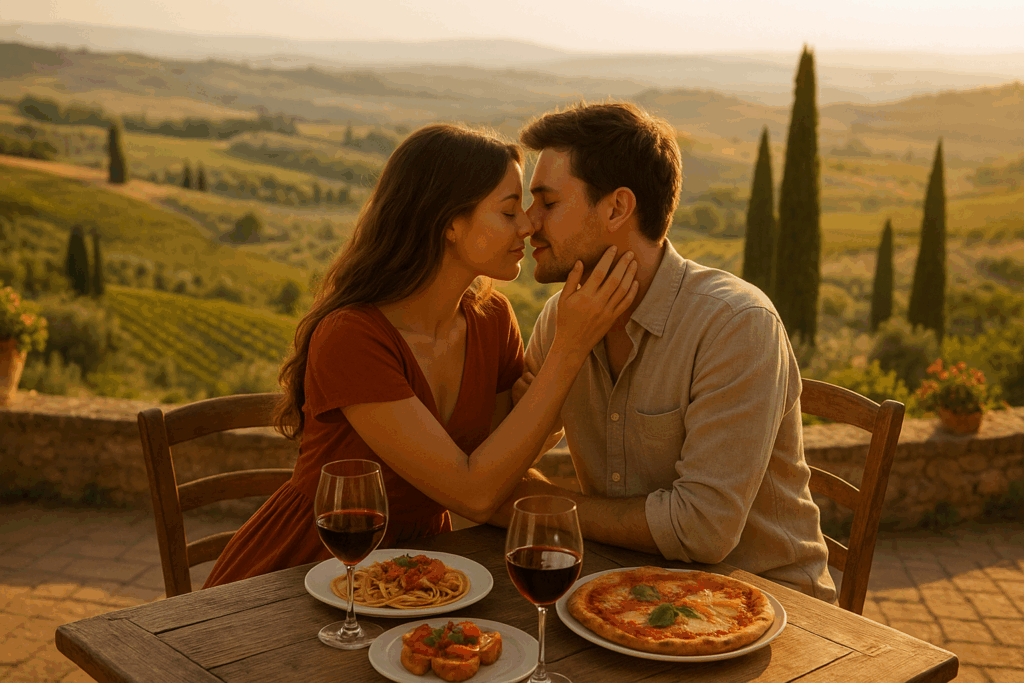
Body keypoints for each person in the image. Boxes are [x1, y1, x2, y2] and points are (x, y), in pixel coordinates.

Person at [204, 123, 637, 588]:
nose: (529, 224)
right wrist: (568, 351)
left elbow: (498, 465)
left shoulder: (492, 320)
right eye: (509, 211)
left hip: (425, 572)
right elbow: (474, 493)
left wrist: (536, 410)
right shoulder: (351, 338)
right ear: (449, 223)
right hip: (312, 567)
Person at [492, 102, 837, 603]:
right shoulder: (562, 321)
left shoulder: (735, 325)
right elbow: (504, 456)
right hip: (627, 591)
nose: (527, 222)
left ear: (616, 208)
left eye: (546, 202)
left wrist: (539, 505)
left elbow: (703, 529)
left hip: (769, 606)